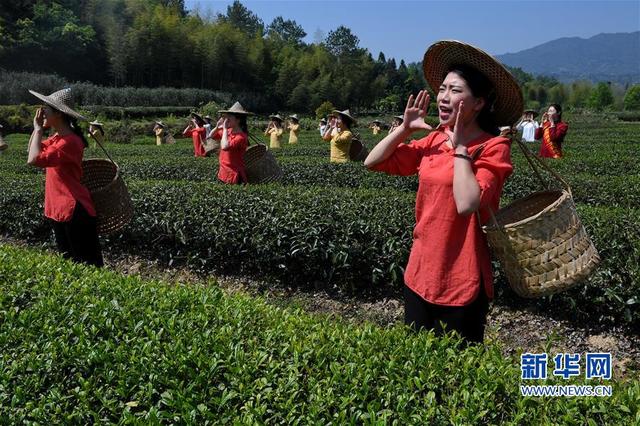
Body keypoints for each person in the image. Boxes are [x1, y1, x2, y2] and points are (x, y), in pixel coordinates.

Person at [364, 40, 523, 344]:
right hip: (421, 269)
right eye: (442, 89)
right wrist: (404, 130)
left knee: (457, 374)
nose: (444, 97)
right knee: (416, 365)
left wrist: (461, 149)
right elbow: (373, 162)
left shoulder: (494, 147)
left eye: (455, 90)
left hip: (462, 277)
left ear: (478, 103)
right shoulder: (434, 139)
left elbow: (467, 203)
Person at [26, 88, 104, 267]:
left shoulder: (68, 142)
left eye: (47, 108)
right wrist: (37, 129)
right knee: (69, 264)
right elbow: (30, 151)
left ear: (59, 114)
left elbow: (33, 160)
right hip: (59, 208)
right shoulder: (57, 138)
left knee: (87, 265)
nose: (42, 111)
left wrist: (38, 129)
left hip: (74, 210)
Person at [210, 101, 251, 184]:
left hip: (234, 176)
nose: (226, 119)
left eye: (229, 117)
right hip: (223, 173)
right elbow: (211, 136)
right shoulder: (228, 131)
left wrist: (224, 129)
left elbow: (225, 146)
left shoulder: (241, 137)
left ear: (238, 120)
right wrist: (217, 127)